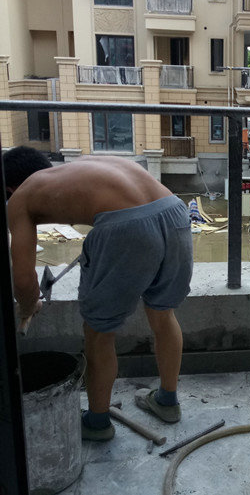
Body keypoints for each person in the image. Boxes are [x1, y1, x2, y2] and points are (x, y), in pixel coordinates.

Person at [4, 147, 193, 441]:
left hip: (127, 227)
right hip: (174, 212)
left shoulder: (21, 196)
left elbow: (23, 280)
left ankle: (97, 423)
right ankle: (167, 402)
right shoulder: (83, 168)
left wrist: (29, 306)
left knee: (98, 333)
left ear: (9, 189)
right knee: (163, 314)